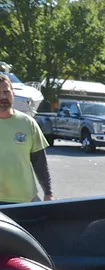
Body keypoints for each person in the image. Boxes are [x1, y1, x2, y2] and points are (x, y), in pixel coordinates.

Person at [0, 73, 54, 204]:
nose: (2, 97)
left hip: (24, 199)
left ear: (13, 93)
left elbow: (39, 162)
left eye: (6, 92)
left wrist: (48, 193)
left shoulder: (28, 123)